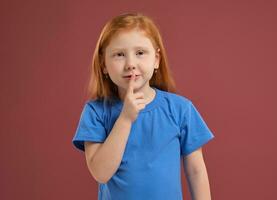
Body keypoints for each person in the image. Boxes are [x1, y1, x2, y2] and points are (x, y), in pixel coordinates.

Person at [72, 12, 215, 200]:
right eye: (119, 55)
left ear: (156, 59)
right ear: (103, 64)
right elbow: (101, 172)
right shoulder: (96, 112)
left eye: (140, 53)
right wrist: (125, 118)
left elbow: (196, 171)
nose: (130, 64)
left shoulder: (181, 109)